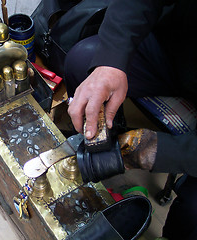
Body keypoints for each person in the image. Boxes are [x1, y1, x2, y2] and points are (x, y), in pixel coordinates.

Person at [63, 0, 197, 239]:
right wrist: (111, 60)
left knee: (193, 214)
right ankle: (106, 146)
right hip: (178, 47)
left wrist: (151, 150)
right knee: (81, 61)